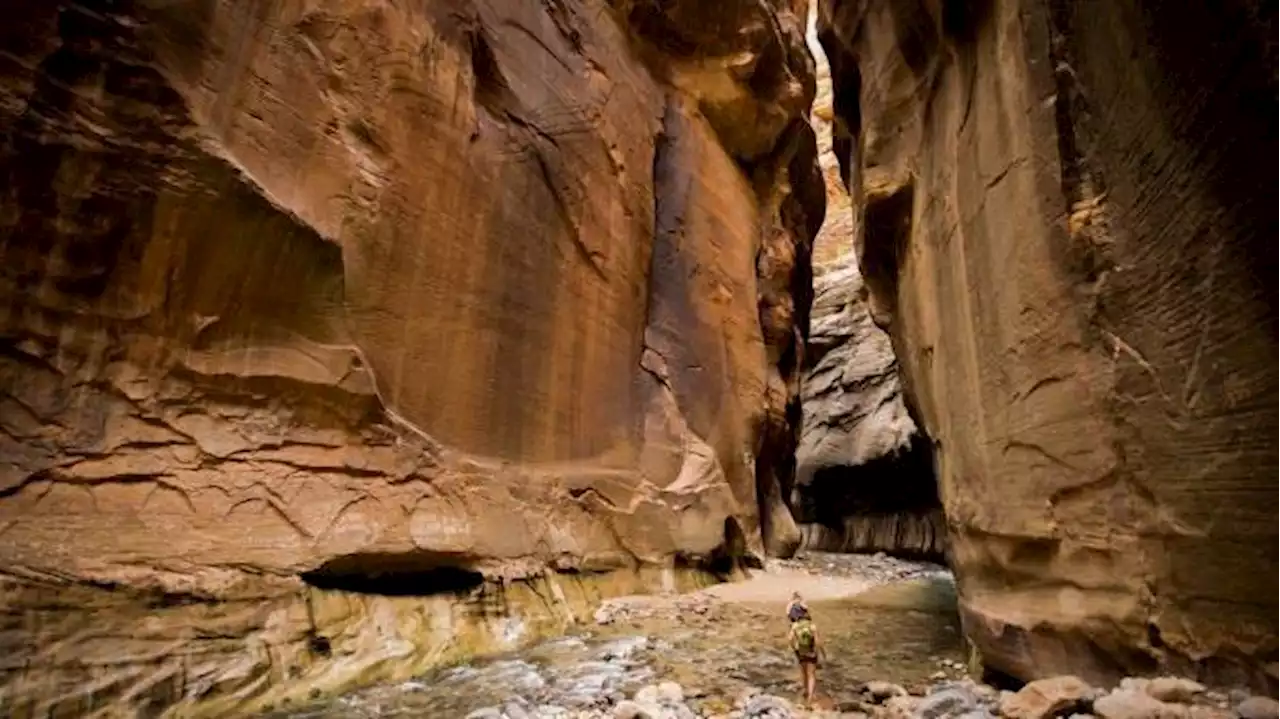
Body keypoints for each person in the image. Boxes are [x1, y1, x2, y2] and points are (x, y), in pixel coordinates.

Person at [787, 602, 825, 708]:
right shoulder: (812, 626)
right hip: (811, 652)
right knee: (811, 675)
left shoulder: (795, 626)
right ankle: (810, 698)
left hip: (801, 652)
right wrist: (819, 652)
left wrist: (795, 649)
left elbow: (790, 639)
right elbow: (818, 642)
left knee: (803, 674)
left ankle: (804, 692)